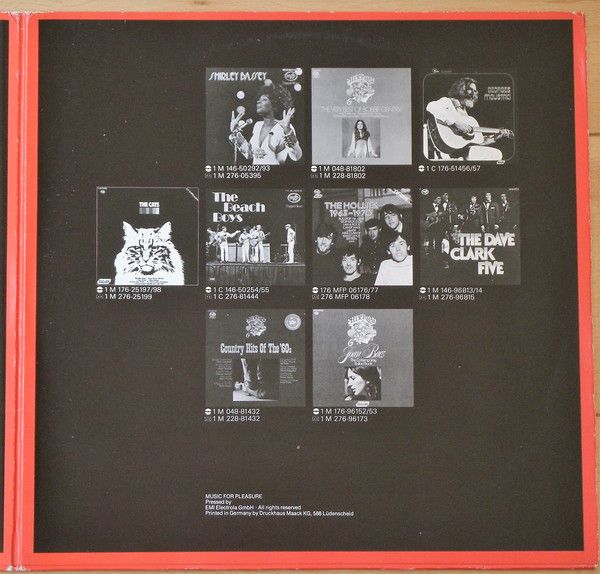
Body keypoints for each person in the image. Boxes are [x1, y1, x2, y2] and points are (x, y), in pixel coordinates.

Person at [426, 77, 511, 161]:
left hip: (463, 151)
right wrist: (456, 123)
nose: (473, 93)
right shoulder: (448, 102)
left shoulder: (469, 119)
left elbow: (478, 141)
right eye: (470, 89)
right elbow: (431, 106)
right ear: (460, 89)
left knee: (496, 153)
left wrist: (494, 138)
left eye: (475, 91)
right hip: (448, 151)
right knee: (495, 154)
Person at [229, 82, 303, 165]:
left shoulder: (284, 127)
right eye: (259, 99)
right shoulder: (257, 125)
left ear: (274, 104)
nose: (258, 102)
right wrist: (235, 133)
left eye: (264, 99)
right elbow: (250, 154)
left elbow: (296, 157)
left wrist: (287, 130)